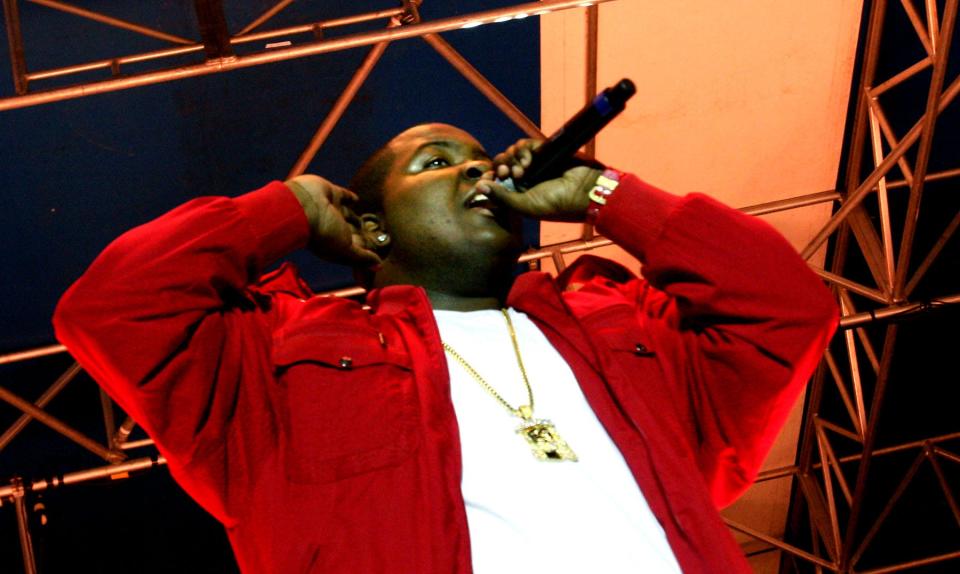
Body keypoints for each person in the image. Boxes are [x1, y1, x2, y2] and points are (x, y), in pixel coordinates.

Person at [54, 123, 838, 573]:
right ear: (371, 228)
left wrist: (604, 195)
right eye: (437, 163)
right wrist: (285, 207)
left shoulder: (623, 320)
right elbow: (114, 306)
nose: (477, 168)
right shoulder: (271, 356)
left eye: (481, 158)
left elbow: (783, 306)